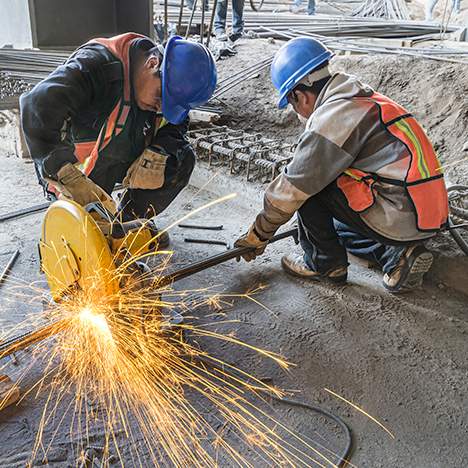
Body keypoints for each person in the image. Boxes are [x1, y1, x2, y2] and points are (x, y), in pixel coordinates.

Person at [234, 37, 449, 293]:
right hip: (425, 214)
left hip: (399, 211)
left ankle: (324, 264)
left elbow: (294, 186)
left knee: (311, 188)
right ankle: (399, 255)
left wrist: (259, 232)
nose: (297, 112)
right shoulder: (361, 96)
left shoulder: (335, 116)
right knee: (339, 229)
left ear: (300, 96)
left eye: (292, 105)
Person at [20, 33, 217, 246]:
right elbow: (36, 106)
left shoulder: (161, 86)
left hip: (120, 157)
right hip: (79, 174)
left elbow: (176, 123)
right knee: (88, 242)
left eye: (170, 104)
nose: (161, 108)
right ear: (152, 64)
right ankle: (78, 230)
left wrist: (160, 150)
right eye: (161, 97)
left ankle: (127, 224)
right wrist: (64, 173)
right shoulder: (96, 66)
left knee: (180, 159)